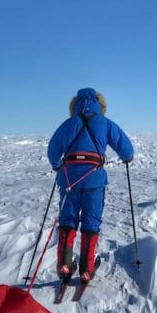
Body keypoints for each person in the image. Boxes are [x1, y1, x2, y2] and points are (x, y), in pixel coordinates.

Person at [47, 88, 135, 283]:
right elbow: (126, 147)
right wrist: (127, 158)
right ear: (100, 104)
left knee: (67, 220)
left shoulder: (68, 124)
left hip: (69, 178)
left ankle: (64, 264)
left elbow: (53, 150)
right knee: (91, 220)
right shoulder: (105, 123)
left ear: (75, 105)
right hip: (94, 179)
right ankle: (87, 268)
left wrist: (57, 166)